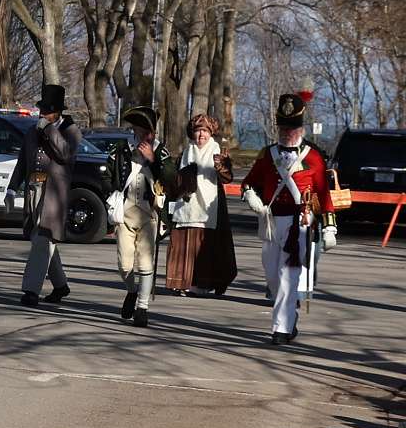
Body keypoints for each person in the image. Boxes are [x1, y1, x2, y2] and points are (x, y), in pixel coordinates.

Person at [242, 91, 330, 347]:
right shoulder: (267, 154)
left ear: (300, 128)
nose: (286, 132)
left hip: (299, 222)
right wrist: (251, 196)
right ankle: (290, 320)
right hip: (271, 221)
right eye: (283, 128)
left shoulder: (313, 156)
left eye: (291, 128)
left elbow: (323, 193)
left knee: (288, 277)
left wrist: (329, 227)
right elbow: (249, 182)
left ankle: (280, 328)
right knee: (272, 276)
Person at [10, 83, 80, 306]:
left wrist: (49, 130)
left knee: (42, 239)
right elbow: (22, 162)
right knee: (42, 240)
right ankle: (60, 286)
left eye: (47, 111)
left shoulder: (71, 130)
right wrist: (12, 188)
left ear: (58, 112)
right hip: (34, 190)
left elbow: (65, 154)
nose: (43, 114)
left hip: (54, 195)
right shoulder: (32, 131)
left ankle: (31, 290)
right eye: (42, 110)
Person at [115, 106, 175, 327]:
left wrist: (152, 159)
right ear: (136, 130)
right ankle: (132, 291)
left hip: (150, 213)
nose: (149, 135)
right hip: (125, 213)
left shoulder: (160, 151)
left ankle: (142, 308)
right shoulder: (122, 148)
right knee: (124, 265)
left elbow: (171, 177)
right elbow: (110, 173)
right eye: (145, 131)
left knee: (146, 262)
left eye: (151, 131)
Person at [166, 113, 236, 295]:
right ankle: (182, 283)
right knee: (183, 246)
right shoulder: (185, 153)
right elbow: (174, 178)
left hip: (209, 208)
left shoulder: (217, 152)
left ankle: (202, 284)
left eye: (205, 131)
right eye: (198, 131)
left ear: (211, 133)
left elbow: (227, 178)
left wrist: (221, 166)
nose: (201, 135)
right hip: (186, 205)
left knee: (204, 247)